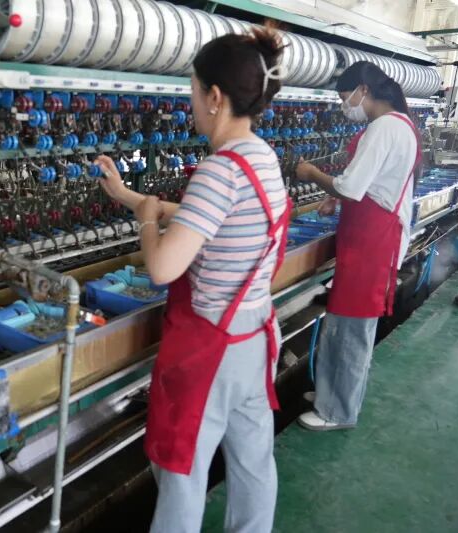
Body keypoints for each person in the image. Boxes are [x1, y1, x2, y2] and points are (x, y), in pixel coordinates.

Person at [96, 28, 289, 533]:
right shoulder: (260, 157)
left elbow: (163, 268)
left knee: (182, 468)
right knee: (252, 461)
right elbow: (208, 219)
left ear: (215, 97)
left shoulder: (218, 170)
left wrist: (146, 223)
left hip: (212, 350)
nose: (191, 104)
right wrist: (129, 197)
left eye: (193, 91)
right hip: (255, 334)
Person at [295, 62, 421, 431]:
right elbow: (370, 184)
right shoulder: (399, 124)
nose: (343, 105)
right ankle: (331, 393)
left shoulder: (384, 128)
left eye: (343, 97)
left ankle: (338, 411)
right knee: (341, 321)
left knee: (352, 329)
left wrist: (312, 175)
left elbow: (352, 187)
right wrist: (337, 196)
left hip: (373, 242)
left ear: (363, 90)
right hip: (369, 236)